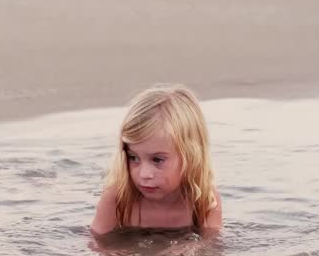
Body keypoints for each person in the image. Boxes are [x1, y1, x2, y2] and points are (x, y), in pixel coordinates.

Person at [91, 84, 222, 236]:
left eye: (157, 160)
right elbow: (97, 243)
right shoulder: (117, 197)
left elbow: (212, 245)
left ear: (191, 157)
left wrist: (194, 248)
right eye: (133, 158)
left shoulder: (204, 199)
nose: (144, 174)